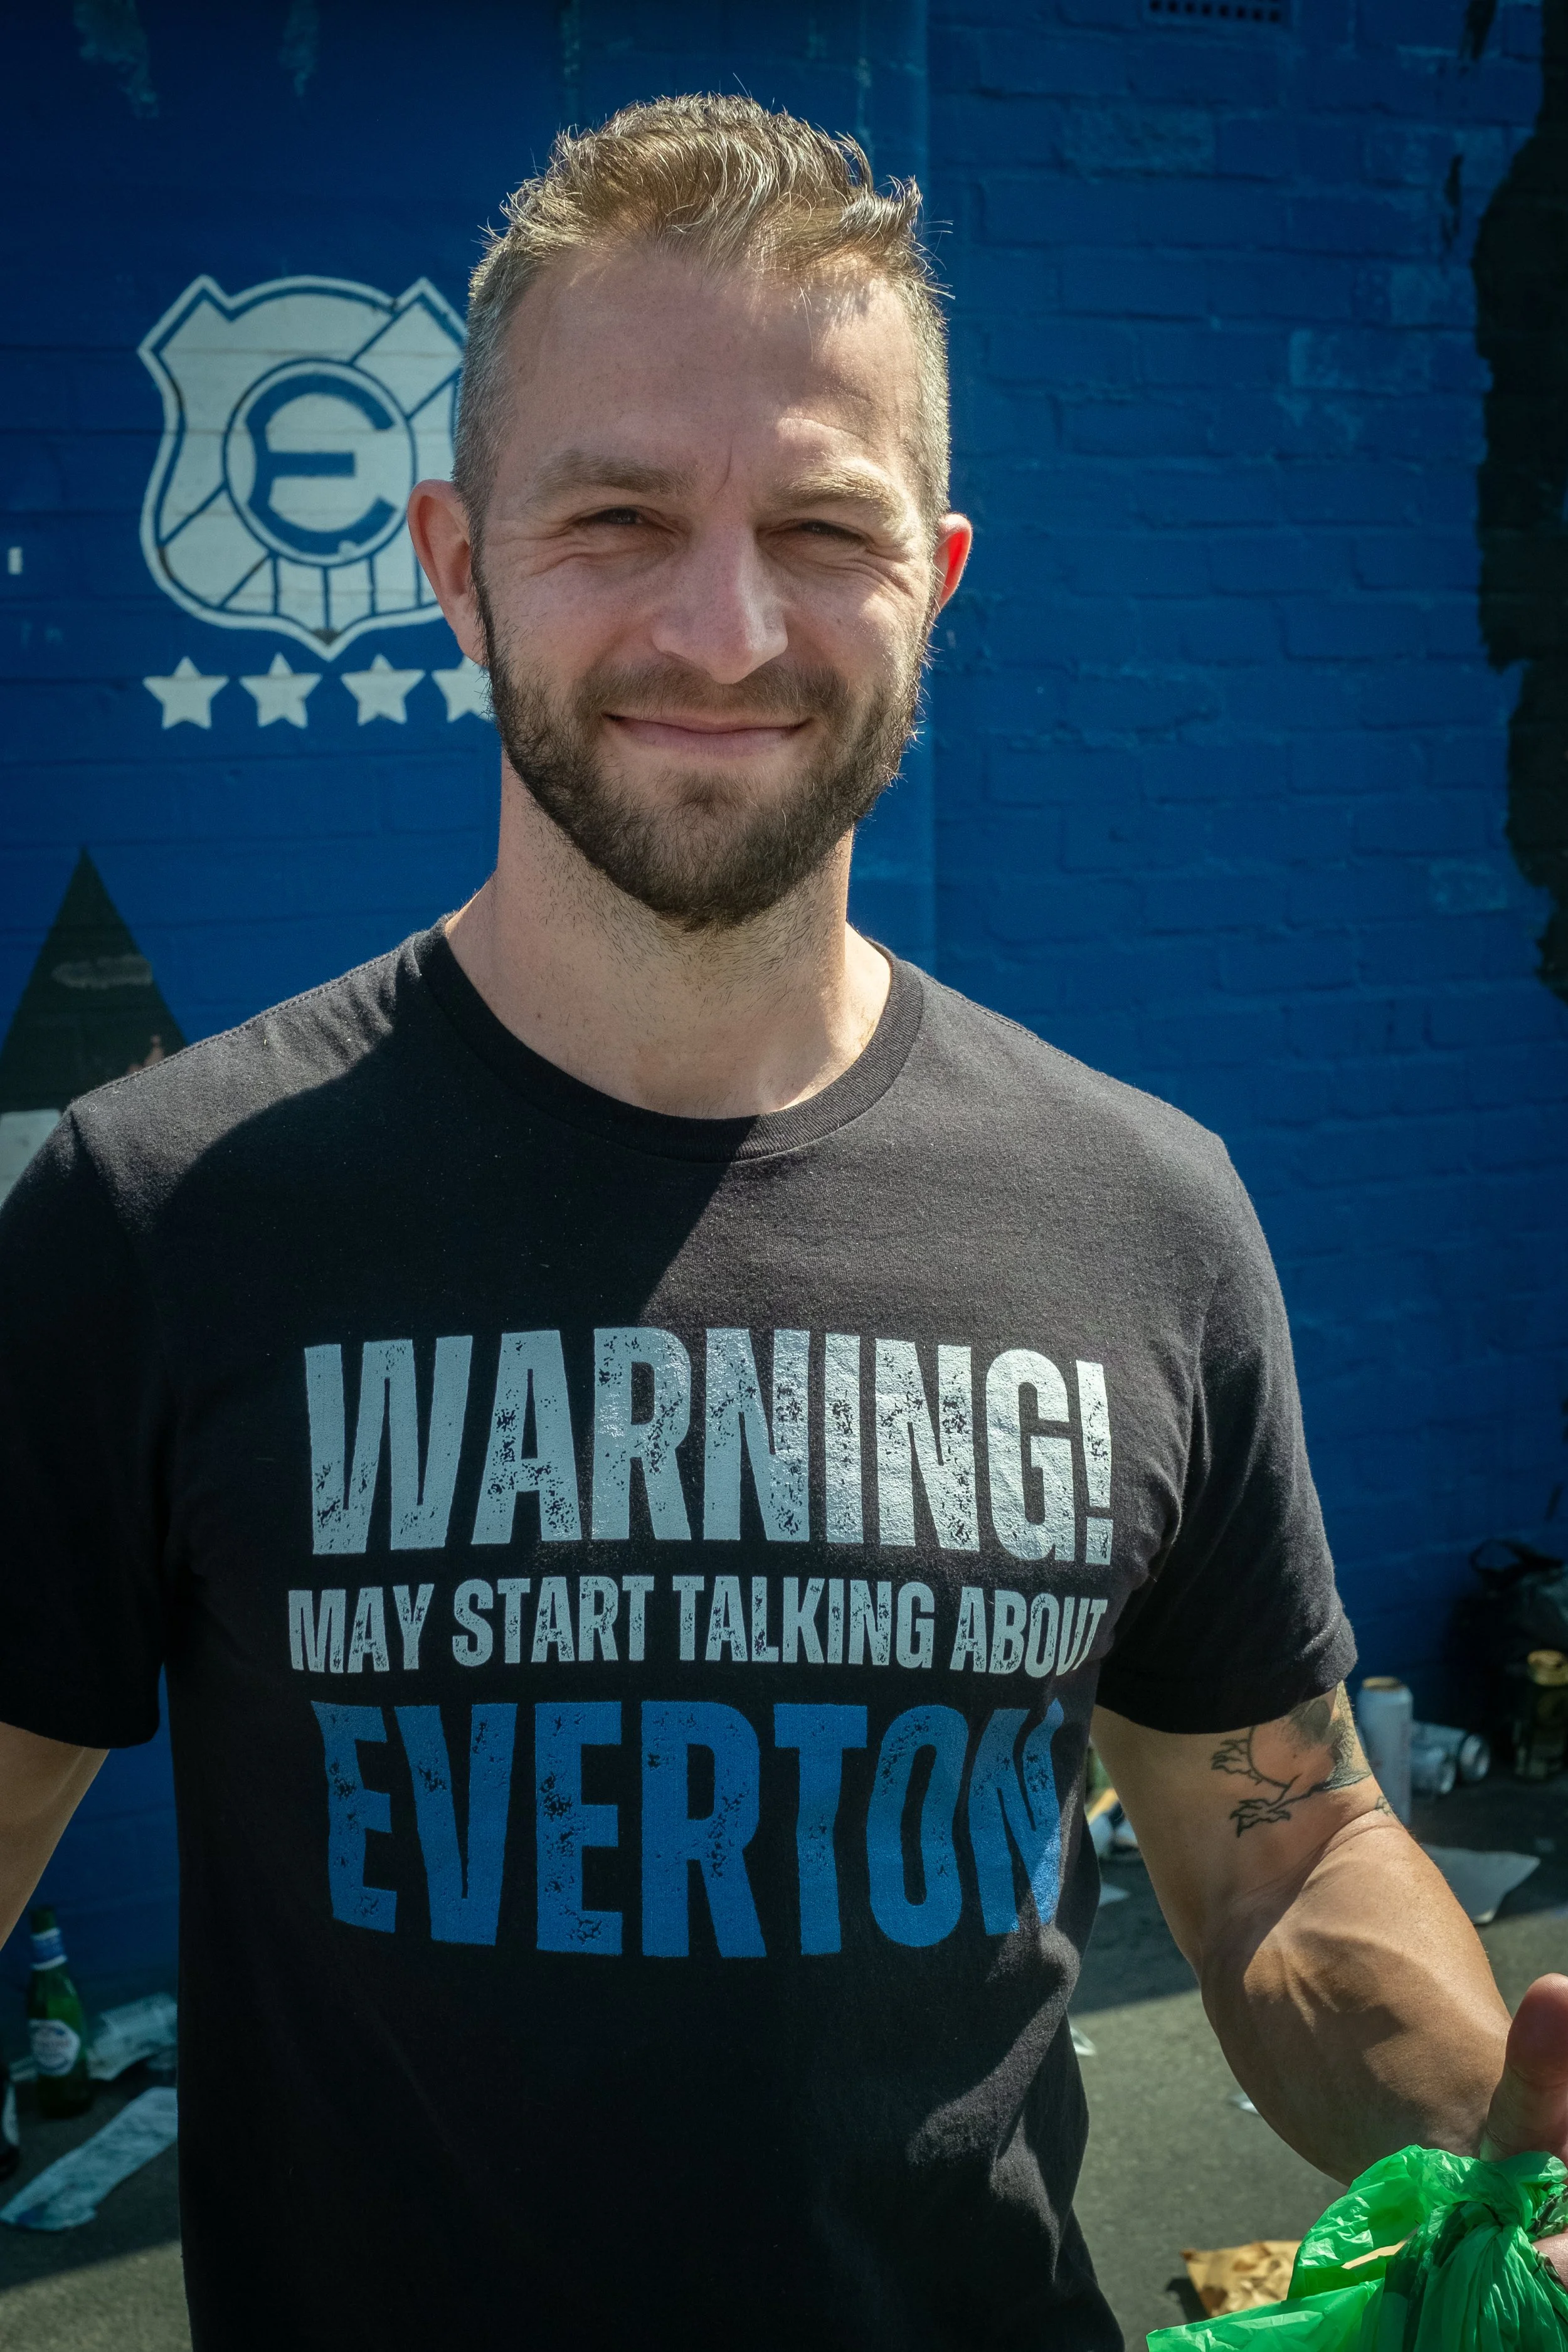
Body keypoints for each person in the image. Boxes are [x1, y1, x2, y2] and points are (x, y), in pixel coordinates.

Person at [0, 93, 1562, 2352]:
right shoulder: (157, 1216)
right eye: (616, 513)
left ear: (930, 584)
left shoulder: (1144, 1213)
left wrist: (1496, 2136)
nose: (723, 628)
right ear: (452, 557)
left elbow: (1280, 1846)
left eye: (820, 526)